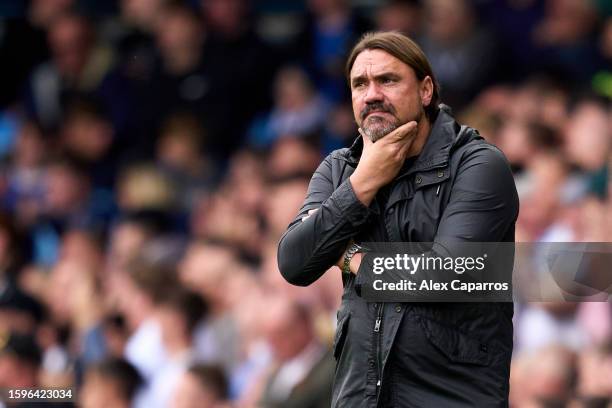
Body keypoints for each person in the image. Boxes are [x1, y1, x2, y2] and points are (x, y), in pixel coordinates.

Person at [277, 31, 519, 407]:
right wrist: (362, 183)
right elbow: (293, 262)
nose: (372, 94)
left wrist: (349, 256)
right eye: (360, 84)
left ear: (425, 91)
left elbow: (445, 275)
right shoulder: (341, 170)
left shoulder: (477, 164)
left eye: (387, 80)